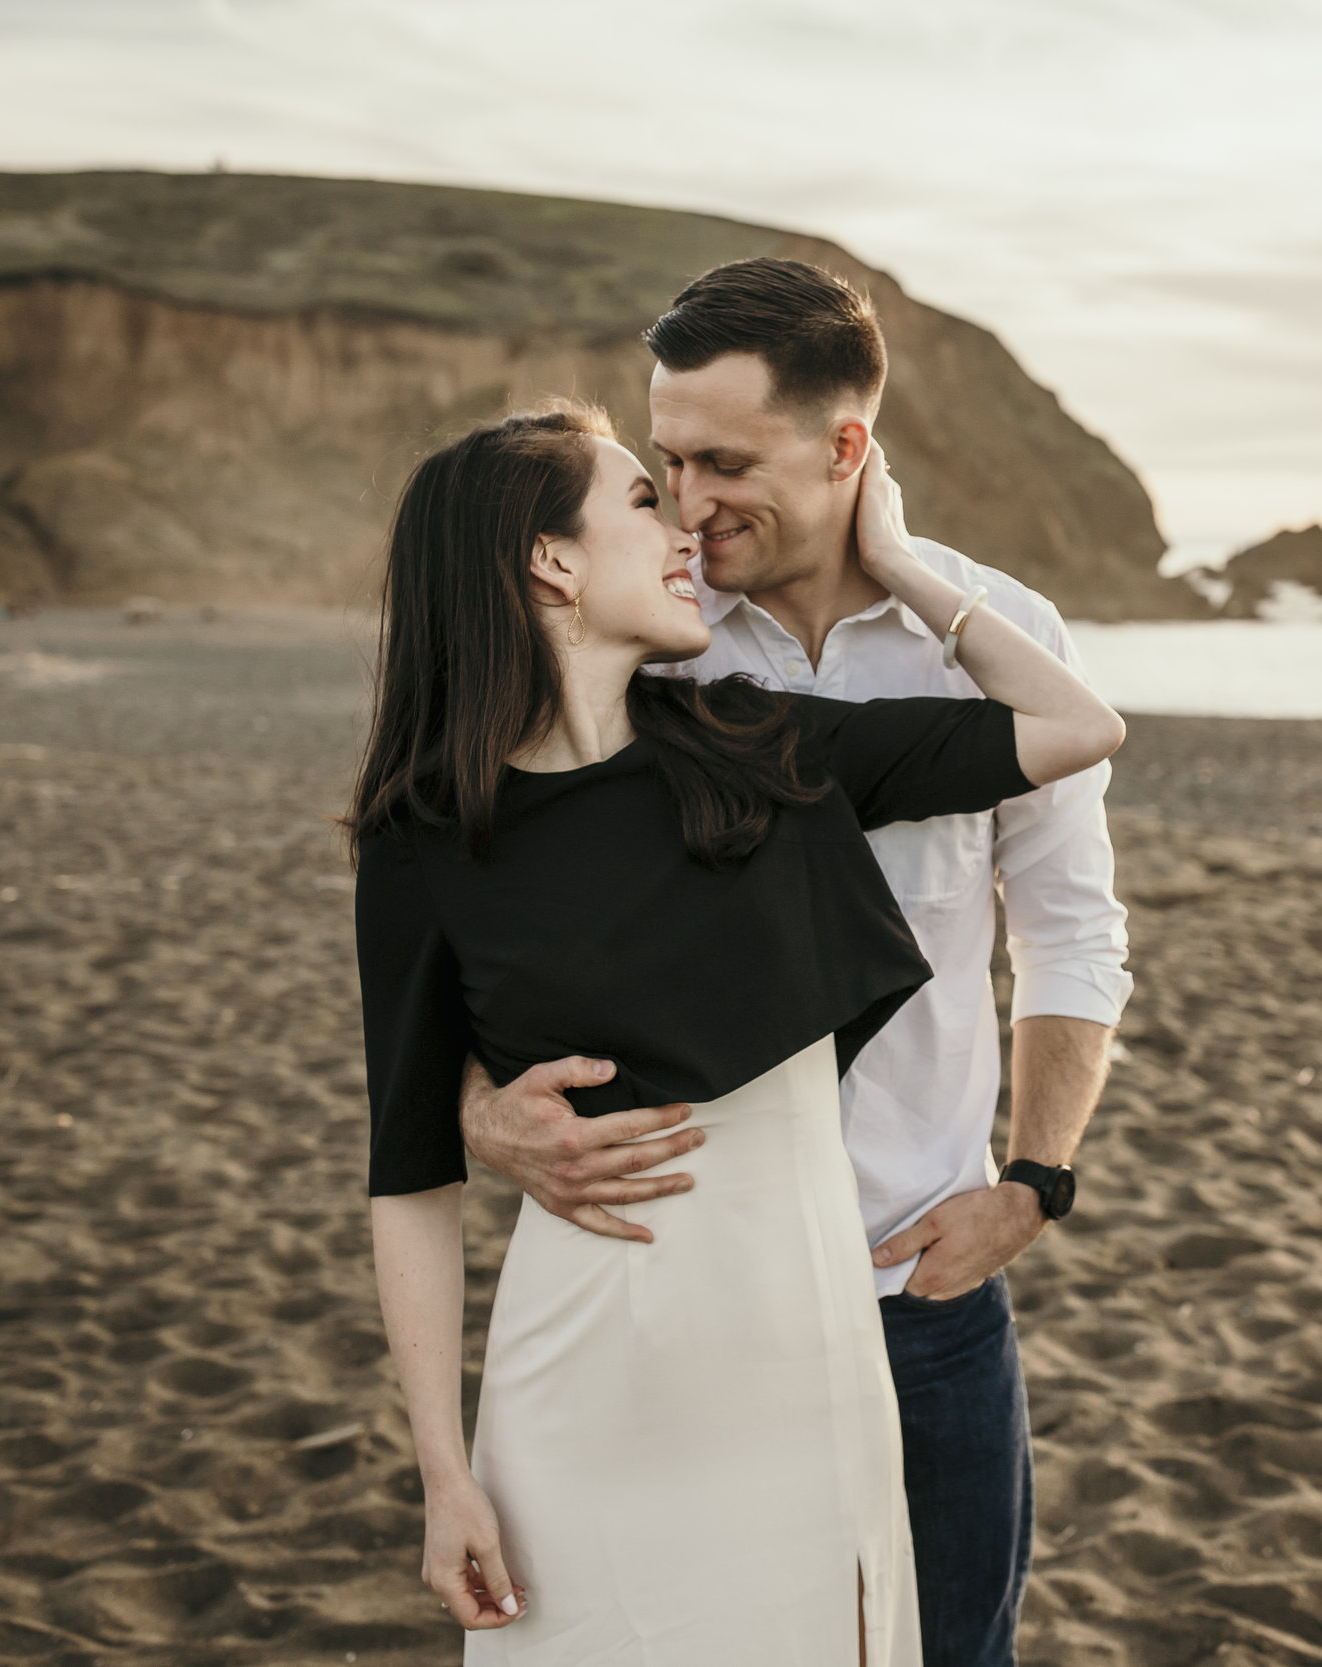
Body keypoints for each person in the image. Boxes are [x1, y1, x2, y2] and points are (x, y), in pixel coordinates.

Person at [349, 395, 1124, 1664]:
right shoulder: (426, 834)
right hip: (580, 1368)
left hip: (813, 1351)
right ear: (549, 561)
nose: (685, 528)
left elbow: (1080, 729)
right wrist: (445, 1470)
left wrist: (904, 564)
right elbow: (410, 1173)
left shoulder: (758, 745)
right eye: (646, 497)